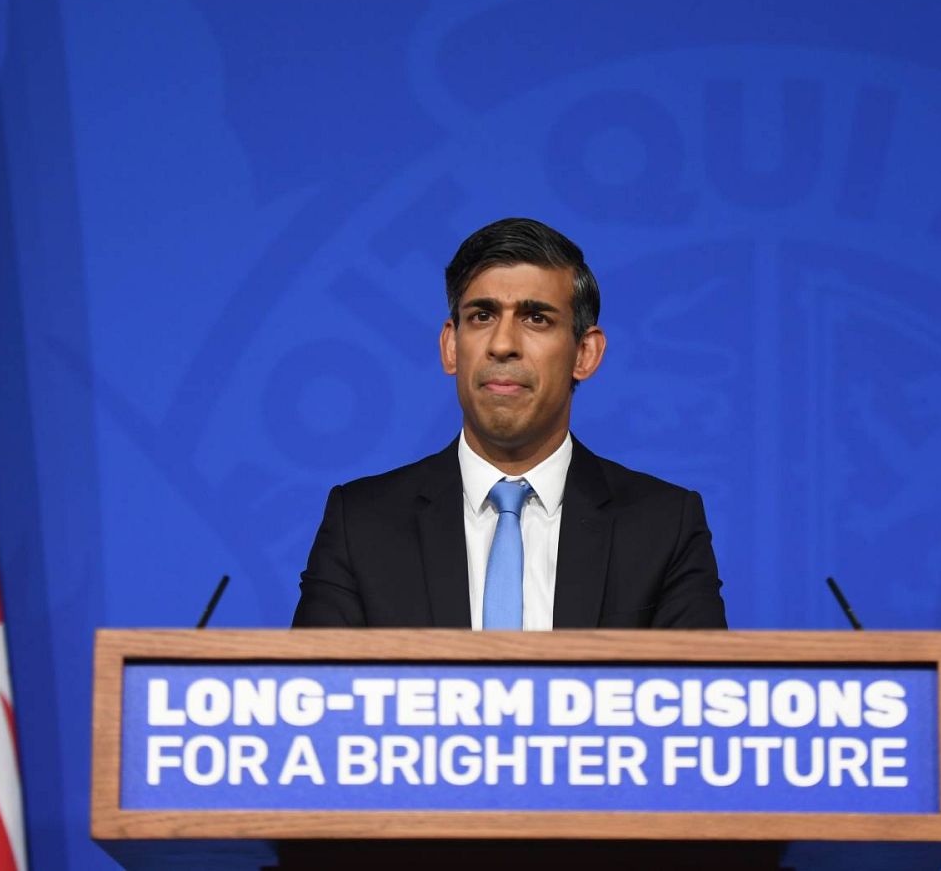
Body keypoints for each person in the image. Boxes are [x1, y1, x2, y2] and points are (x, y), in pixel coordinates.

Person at [291, 218, 726, 629]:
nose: (502, 345)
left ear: (584, 354)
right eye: (481, 316)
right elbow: (312, 697)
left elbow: (697, 699)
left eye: (536, 318)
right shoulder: (362, 524)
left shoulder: (663, 527)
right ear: (450, 347)